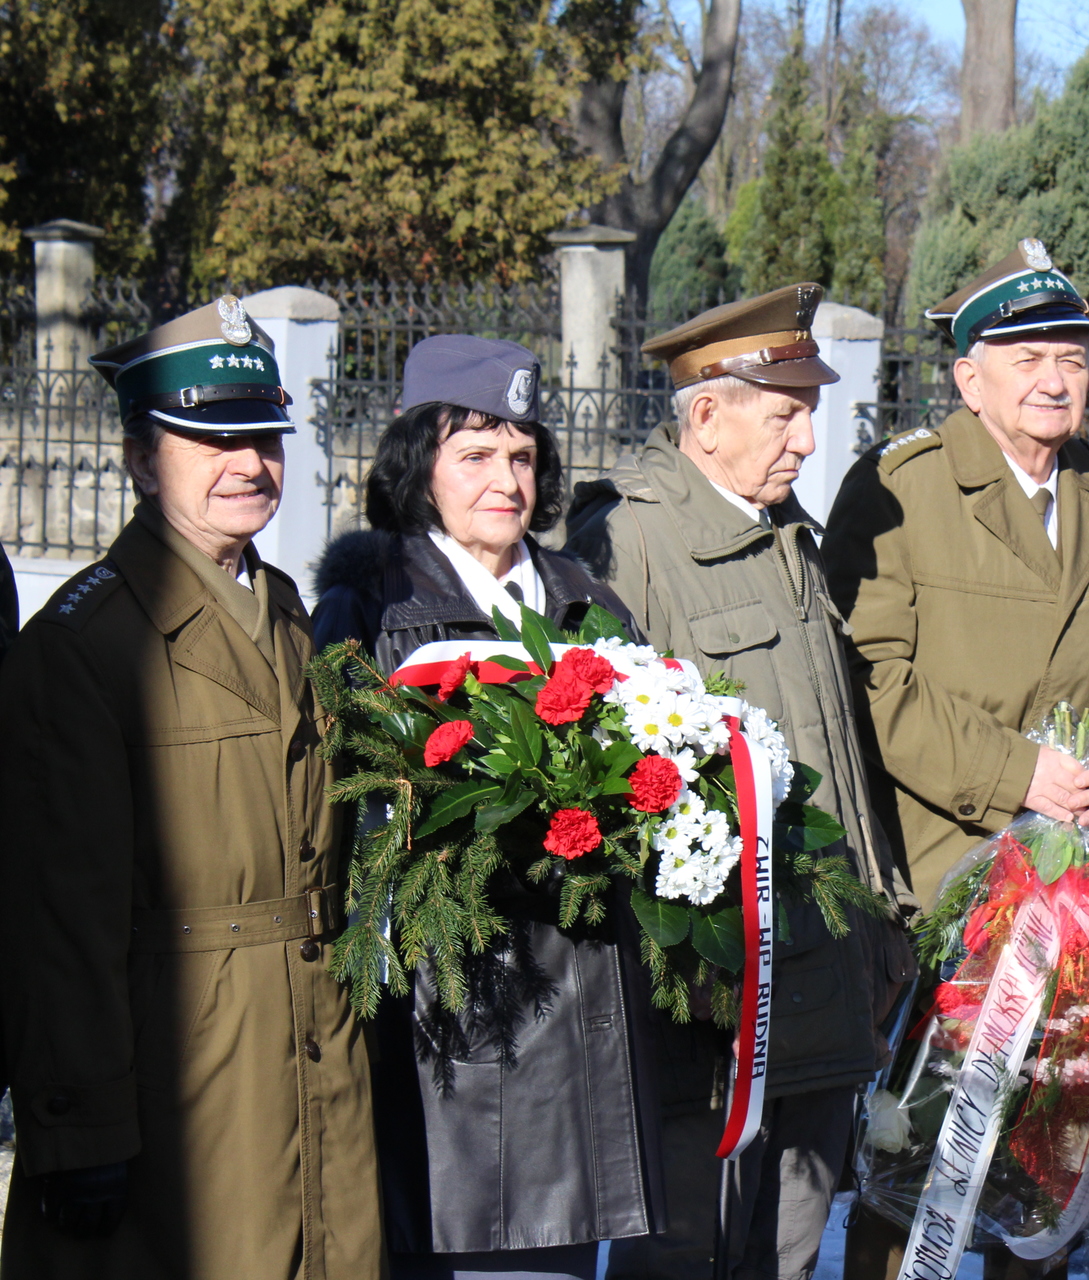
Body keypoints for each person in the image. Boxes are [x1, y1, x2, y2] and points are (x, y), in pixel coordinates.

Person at [0, 296, 382, 1277]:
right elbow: (58, 919)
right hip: (177, 1077)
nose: (249, 464)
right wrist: (75, 1125)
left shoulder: (291, 617)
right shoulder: (84, 648)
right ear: (139, 460)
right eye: (210, 437)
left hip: (309, 1055)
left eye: (262, 435)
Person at [822, 239, 1089, 1280]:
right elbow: (872, 687)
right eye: (1028, 357)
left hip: (1074, 905)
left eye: (1074, 353)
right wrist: (1019, 774)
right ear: (970, 379)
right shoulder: (900, 492)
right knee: (910, 1167)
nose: (1058, 375)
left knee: (1044, 1169)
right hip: (943, 892)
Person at [564, 284, 914, 1280]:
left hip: (824, 973)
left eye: (810, 409)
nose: (808, 437)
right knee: (684, 1255)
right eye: (787, 411)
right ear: (707, 415)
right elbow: (604, 774)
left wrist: (882, 907)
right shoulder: (629, 540)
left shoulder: (788, 533)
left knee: (788, 1252)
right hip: (713, 1004)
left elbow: (834, 743)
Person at [311, 335, 657, 1280]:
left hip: (583, 1010)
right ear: (419, 464)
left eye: (521, 455)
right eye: (474, 455)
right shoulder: (373, 603)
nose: (505, 480)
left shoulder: (587, 602)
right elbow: (337, 802)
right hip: (453, 1013)